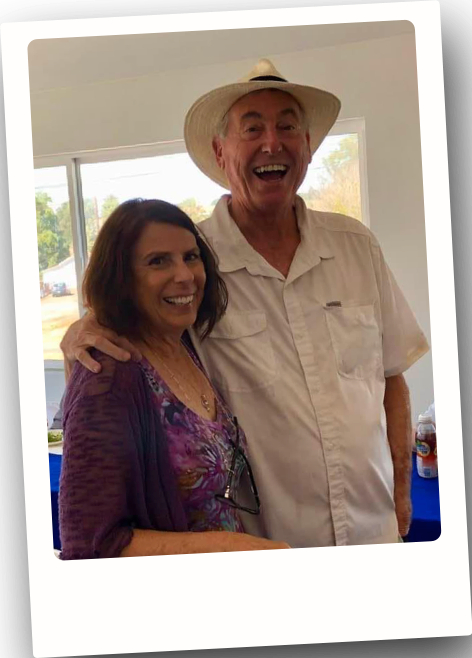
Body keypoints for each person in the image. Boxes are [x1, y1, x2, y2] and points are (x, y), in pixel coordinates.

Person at [61, 59, 430, 547]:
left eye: (287, 127)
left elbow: (391, 376)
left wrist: (402, 492)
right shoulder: (196, 265)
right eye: (251, 128)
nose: (271, 142)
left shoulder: (357, 246)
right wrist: (83, 328)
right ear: (220, 152)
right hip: (264, 548)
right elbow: (140, 320)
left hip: (373, 531)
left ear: (308, 148)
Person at [59, 198, 289, 559]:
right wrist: (231, 545)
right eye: (157, 261)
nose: (184, 275)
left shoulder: (184, 343)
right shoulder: (108, 378)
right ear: (122, 278)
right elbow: (89, 543)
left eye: (191, 257)